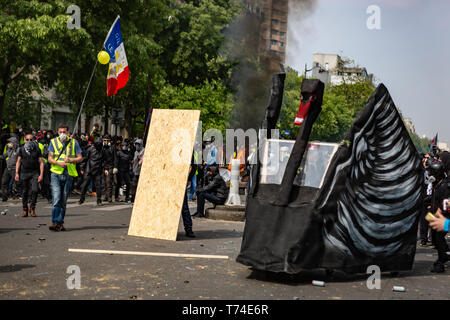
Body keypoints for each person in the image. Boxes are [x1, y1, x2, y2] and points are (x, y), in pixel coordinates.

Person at [47, 123, 83, 231]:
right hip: (55, 174)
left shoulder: (73, 142)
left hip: (68, 174)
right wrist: (59, 163)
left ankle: (60, 223)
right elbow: (50, 158)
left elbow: (80, 158)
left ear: (68, 132)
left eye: (64, 132)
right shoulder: (53, 142)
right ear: (57, 132)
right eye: (60, 132)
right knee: (56, 198)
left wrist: (71, 160)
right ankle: (55, 222)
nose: (62, 134)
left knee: (63, 200)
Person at [426, 160, 450, 273]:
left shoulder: (444, 186)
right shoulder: (437, 185)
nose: (429, 175)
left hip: (444, 217)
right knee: (435, 238)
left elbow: (445, 203)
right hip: (437, 215)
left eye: (431, 173)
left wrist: (438, 212)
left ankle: (441, 261)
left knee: (438, 238)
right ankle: (445, 255)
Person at [15, 133, 44, 217]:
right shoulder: (21, 149)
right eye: (27, 140)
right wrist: (16, 173)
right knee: (24, 192)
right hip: (24, 173)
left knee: (35, 190)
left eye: (31, 140)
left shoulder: (37, 149)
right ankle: (25, 209)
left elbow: (41, 162)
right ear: (24, 140)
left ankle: (32, 208)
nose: (29, 141)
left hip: (34, 173)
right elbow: (18, 161)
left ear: (34, 140)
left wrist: (41, 174)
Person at [78, 137, 104, 206]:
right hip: (89, 169)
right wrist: (82, 168)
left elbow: (104, 161)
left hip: (97, 170)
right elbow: (85, 158)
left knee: (98, 186)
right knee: (84, 185)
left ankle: (99, 200)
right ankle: (81, 199)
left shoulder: (103, 150)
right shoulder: (90, 149)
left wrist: (104, 169)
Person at [1, 136, 20, 201]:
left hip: (14, 169)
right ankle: (4, 197)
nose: (9, 143)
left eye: (10, 142)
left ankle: (17, 194)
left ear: (14, 143)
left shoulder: (18, 150)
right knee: (4, 182)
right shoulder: (9, 149)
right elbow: (4, 155)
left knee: (17, 183)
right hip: (8, 168)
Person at [102, 135, 116, 203]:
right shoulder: (102, 148)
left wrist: (115, 167)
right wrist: (104, 168)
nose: (106, 142)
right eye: (104, 140)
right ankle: (106, 196)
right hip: (104, 167)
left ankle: (109, 197)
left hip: (110, 166)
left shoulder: (112, 148)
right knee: (104, 183)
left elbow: (115, 158)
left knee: (109, 182)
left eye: (107, 140)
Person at [130, 138, 144, 203]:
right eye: (136, 144)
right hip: (135, 171)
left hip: (141, 172)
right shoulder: (135, 152)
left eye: (138, 145)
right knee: (134, 185)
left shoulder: (143, 151)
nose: (136, 146)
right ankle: (133, 198)